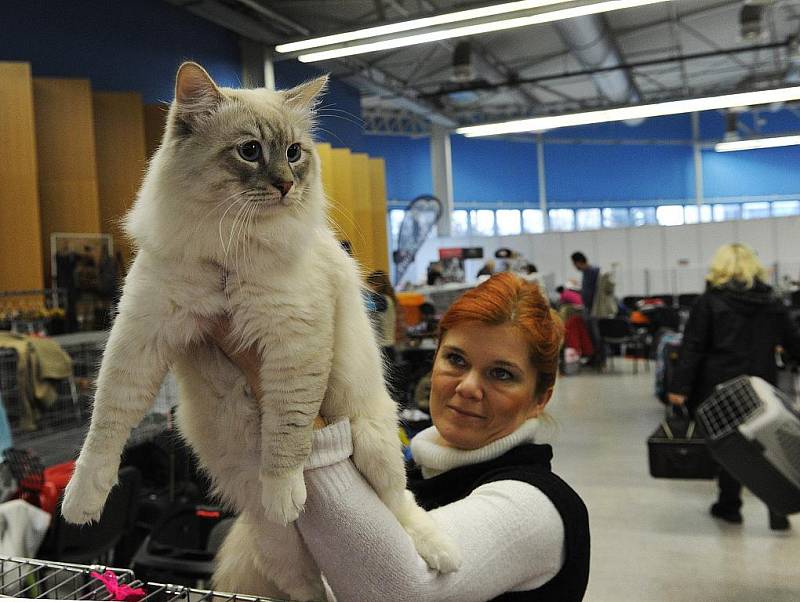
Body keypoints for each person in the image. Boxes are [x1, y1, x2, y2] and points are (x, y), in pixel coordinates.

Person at [213, 272, 590, 601]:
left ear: (541, 397)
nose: (468, 387)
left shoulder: (535, 507)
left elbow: (400, 590)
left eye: (502, 374)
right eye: (456, 360)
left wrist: (281, 383)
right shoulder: (411, 471)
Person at [668, 243, 800, 531]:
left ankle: (730, 506)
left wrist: (680, 387)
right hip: (762, 383)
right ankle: (778, 511)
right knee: (771, 443)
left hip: (722, 387)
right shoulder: (772, 302)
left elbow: (693, 347)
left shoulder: (709, 302)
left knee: (732, 448)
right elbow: (793, 342)